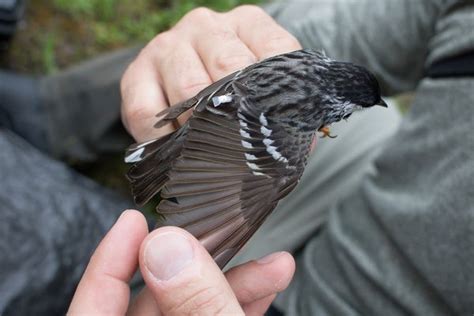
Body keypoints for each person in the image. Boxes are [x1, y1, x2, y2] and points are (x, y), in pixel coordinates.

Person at [1, 0, 473, 315]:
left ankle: (160, 166)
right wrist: (210, 52)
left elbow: (271, 85)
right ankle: (56, 115)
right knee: (277, 171)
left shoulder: (314, 69)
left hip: (351, 297)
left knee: (269, 162)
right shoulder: (300, 125)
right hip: (248, 126)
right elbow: (254, 162)